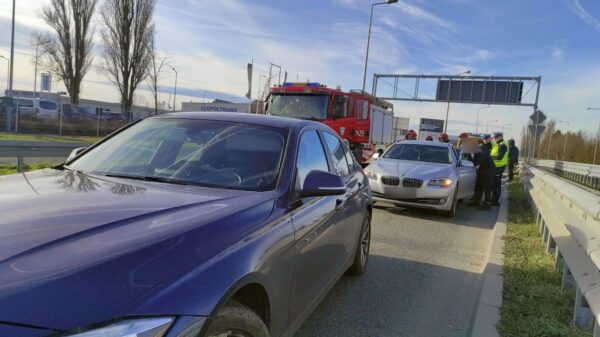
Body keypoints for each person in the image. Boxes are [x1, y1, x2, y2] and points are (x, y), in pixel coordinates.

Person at [469, 142, 495, 209]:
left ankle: (487, 204)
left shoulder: (480, 148)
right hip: (482, 169)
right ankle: (476, 202)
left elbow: (482, 157)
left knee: (487, 186)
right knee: (479, 185)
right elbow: (473, 159)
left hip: (488, 169)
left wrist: (478, 165)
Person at [490, 132, 508, 206]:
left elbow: (499, 157)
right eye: (494, 138)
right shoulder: (497, 145)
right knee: (494, 184)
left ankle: (496, 201)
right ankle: (494, 200)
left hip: (499, 167)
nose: (495, 139)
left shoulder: (502, 145)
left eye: (496, 137)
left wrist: (490, 157)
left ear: (500, 137)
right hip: (495, 167)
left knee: (496, 185)